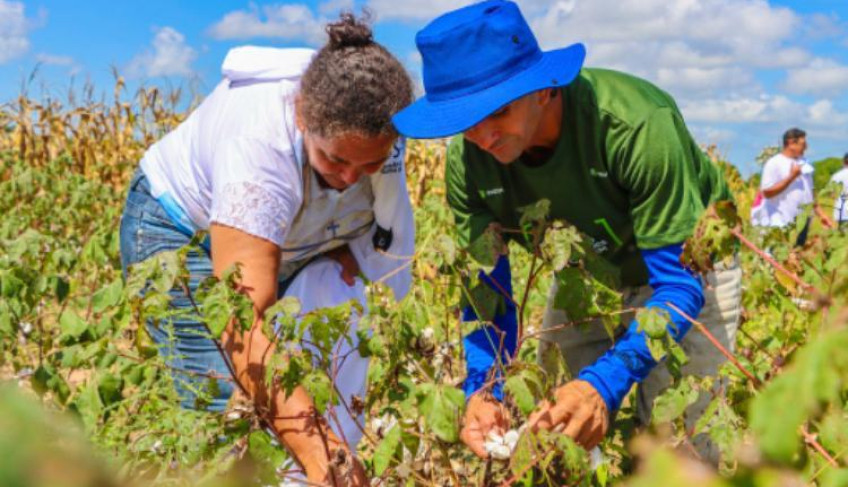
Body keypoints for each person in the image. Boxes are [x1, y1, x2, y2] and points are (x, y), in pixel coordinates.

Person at [392, 0, 741, 463]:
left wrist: (603, 384)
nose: (483, 136)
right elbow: (487, 291)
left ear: (542, 90)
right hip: (585, 278)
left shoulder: (635, 126)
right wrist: (486, 388)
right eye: (465, 123)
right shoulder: (468, 164)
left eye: (497, 112)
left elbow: (678, 284)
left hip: (683, 276)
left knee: (679, 451)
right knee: (558, 436)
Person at [119, 14, 414, 485]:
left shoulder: (380, 129)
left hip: (296, 240)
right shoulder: (258, 148)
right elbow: (244, 324)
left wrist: (343, 243)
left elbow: (386, 245)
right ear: (301, 117)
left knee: (308, 394)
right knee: (226, 418)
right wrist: (323, 456)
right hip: (182, 233)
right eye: (335, 160)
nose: (349, 179)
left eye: (370, 165)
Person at [754, 128, 834, 243]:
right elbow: (767, 192)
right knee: (781, 256)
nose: (806, 147)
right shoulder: (774, 163)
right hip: (782, 222)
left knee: (798, 255)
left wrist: (821, 214)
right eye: (803, 144)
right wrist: (791, 177)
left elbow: (810, 192)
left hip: (803, 221)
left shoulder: (804, 163)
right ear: (791, 143)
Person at [829, 153, 848, 225]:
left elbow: (832, 195)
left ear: (843, 162)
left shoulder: (836, 176)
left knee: (843, 235)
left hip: (841, 211)